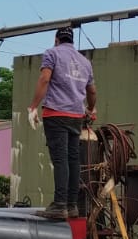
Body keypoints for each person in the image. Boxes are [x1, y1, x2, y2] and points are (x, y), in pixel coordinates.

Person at [29, 26, 97, 220]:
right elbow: (92, 91)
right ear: (72, 41)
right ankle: (72, 205)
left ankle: (59, 205)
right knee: (73, 160)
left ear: (57, 39)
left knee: (60, 159)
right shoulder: (85, 61)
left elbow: (44, 79)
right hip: (76, 116)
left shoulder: (52, 53)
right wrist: (91, 109)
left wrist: (33, 106)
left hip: (55, 113)